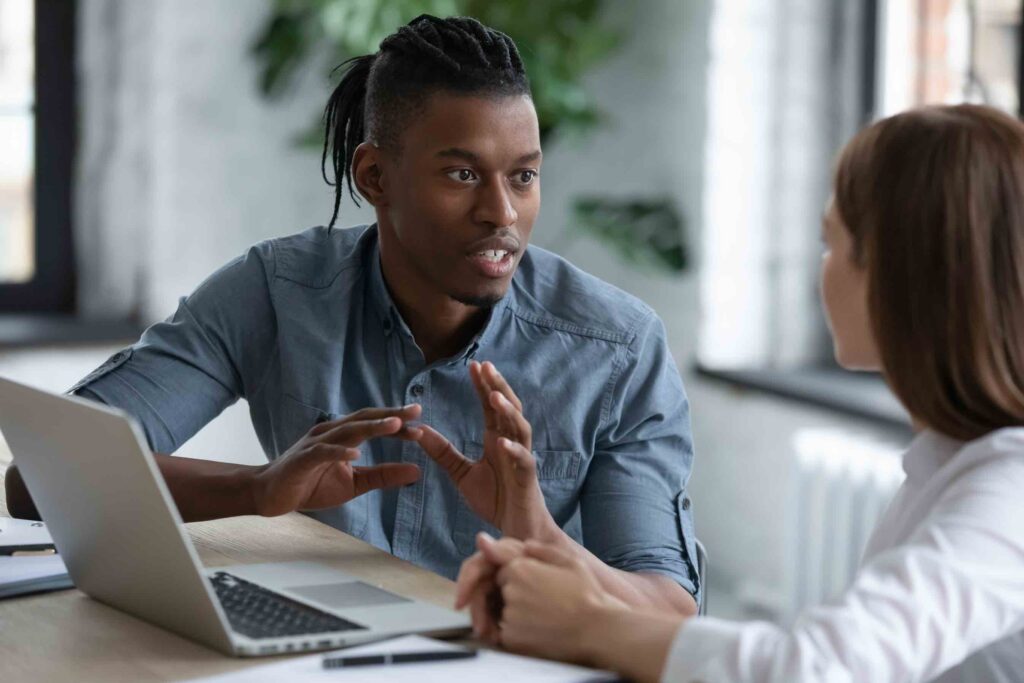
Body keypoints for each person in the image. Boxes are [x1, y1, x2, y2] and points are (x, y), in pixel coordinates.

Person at [4, 15, 699, 615]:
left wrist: (537, 528)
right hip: (311, 654)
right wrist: (257, 488)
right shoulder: (275, 291)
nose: (502, 213)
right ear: (374, 177)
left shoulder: (617, 348)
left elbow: (667, 608)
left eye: (522, 175)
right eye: (462, 174)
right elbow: (39, 479)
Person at [456, 104, 1024, 682]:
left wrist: (587, 624)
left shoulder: (1008, 493)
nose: (817, 273)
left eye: (832, 244)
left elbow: (816, 669)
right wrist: (552, 563)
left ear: (902, 273)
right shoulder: (951, 463)